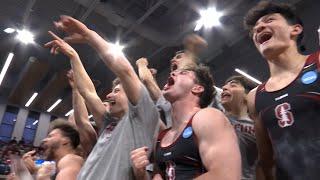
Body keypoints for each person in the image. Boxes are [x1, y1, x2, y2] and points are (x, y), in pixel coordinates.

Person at [45, 15, 160, 180]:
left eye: (117, 90)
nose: (109, 94)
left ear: (132, 95)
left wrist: (89, 36)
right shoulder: (109, 124)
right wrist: (73, 56)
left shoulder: (144, 115)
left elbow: (125, 71)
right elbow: (88, 93)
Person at [244, 1, 320, 179]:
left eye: (269, 20)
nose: (259, 27)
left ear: (295, 29)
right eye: (255, 28)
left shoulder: (317, 63)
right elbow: (266, 163)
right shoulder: (255, 96)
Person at [131, 65, 241, 179]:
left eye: (183, 73)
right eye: (174, 72)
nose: (172, 73)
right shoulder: (161, 137)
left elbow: (226, 175)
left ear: (197, 88)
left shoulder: (208, 117)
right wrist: (141, 174)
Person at [221, 75, 258, 180]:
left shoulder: (259, 125)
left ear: (247, 95)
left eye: (233, 85)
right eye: (224, 86)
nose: (224, 87)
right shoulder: (214, 120)